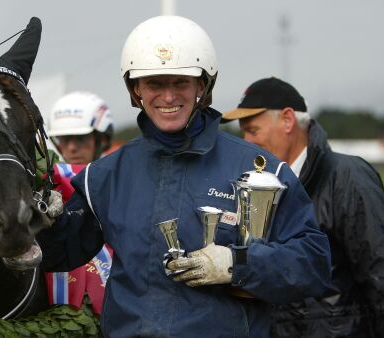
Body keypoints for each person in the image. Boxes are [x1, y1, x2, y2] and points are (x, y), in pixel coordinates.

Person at [37, 16, 332, 337]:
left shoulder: (261, 170)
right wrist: (38, 220)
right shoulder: (105, 175)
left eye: (180, 82)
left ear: (202, 86)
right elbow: (55, 255)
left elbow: (313, 264)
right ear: (135, 89)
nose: (167, 96)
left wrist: (237, 263)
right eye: (154, 83)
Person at [222, 77, 384, 338]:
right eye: (244, 133)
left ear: (287, 120)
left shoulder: (348, 178)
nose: (247, 142)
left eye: (253, 130)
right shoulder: (256, 185)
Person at [45, 91, 115, 315]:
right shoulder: (43, 186)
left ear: (102, 139)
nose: (72, 148)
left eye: (81, 139)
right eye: (65, 140)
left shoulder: (123, 176)